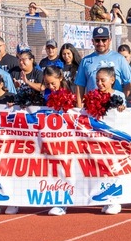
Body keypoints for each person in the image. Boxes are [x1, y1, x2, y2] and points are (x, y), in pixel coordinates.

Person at [49, 66, 126, 217]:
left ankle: (113, 200)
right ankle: (65, 201)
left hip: (111, 141)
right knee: (83, 167)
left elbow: (124, 115)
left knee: (110, 167)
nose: (99, 83)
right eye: (97, 80)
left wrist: (121, 108)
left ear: (112, 80)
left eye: (102, 80)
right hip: (91, 139)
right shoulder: (92, 95)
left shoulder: (119, 95)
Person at [74, 26, 131, 106]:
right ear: (92, 41)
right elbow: (80, 85)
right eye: (97, 40)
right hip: (93, 107)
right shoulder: (85, 61)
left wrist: (120, 99)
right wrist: (79, 107)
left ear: (109, 40)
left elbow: (130, 82)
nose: (100, 43)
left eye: (104, 40)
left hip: (113, 107)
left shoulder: (119, 58)